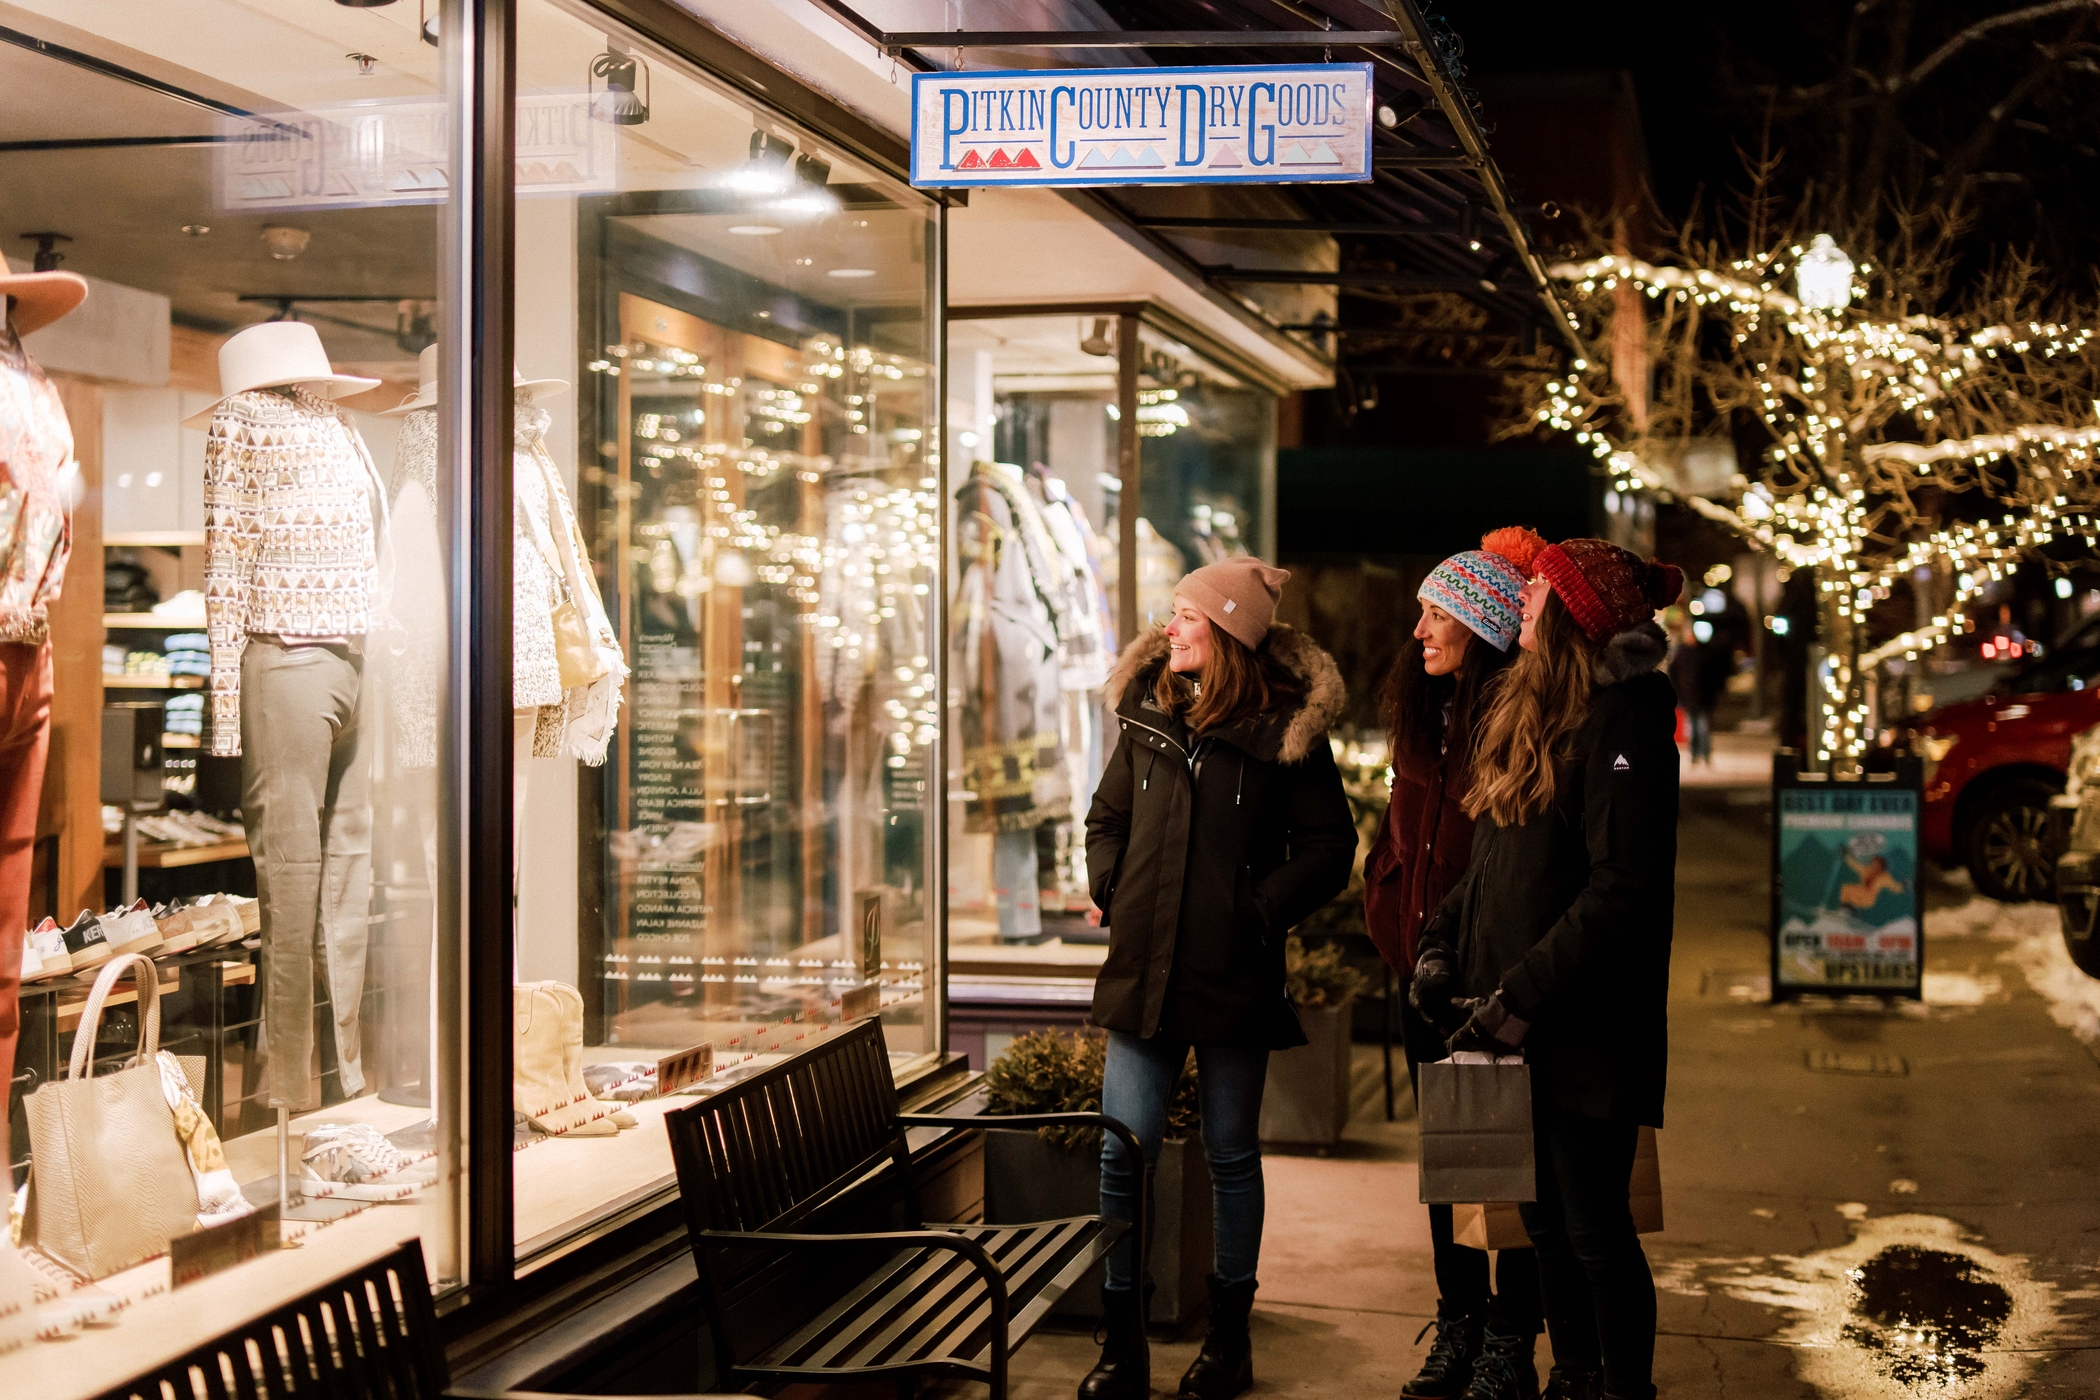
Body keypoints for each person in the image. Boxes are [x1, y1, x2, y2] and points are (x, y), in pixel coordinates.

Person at [1412, 539, 1682, 1400]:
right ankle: (1573, 1376)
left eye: (1537, 590)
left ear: (1571, 613)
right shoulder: (1534, 710)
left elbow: (1622, 886)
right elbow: (1492, 859)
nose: (1522, 598)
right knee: (1543, 1227)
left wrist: (1521, 994)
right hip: (1509, 1019)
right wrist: (1441, 942)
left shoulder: (1625, 718)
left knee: (1595, 1228)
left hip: (1581, 1026)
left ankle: (1619, 1388)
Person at [1081, 556, 1356, 1400]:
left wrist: (1256, 911)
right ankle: (1120, 1346)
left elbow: (1329, 850)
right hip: (1144, 973)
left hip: (1233, 974)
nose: (1171, 627)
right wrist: (1113, 889)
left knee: (1232, 1155)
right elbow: (1106, 818)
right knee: (1119, 1151)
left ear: (1229, 630)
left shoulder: (1282, 737)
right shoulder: (1150, 714)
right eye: (1171, 613)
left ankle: (1227, 1345)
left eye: (1188, 616)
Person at [1364, 528, 1545, 1400]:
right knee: (1448, 1173)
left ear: (1482, 624)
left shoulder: (1514, 730)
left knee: (1504, 1176)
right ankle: (1461, 1326)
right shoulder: (1421, 722)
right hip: (1420, 982)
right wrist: (1389, 916)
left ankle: (1512, 1338)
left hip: (1489, 990)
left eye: (1437, 612)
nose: (1420, 630)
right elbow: (1395, 842)